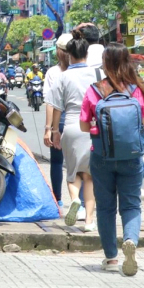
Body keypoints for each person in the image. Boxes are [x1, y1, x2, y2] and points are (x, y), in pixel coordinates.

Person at [79, 43, 144, 275]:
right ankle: (130, 240)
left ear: (105, 63)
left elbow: (83, 125)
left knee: (106, 208)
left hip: (101, 156)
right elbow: (143, 123)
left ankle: (111, 258)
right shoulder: (135, 90)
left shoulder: (95, 90)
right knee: (131, 205)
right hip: (131, 157)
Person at [50, 30, 96, 231]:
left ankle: (75, 199)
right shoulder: (98, 74)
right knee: (89, 175)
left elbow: (57, 107)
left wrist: (54, 131)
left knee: (72, 172)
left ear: (69, 55)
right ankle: (88, 222)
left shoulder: (62, 76)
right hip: (92, 127)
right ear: (87, 53)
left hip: (70, 126)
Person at [43, 34, 71, 207]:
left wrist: (49, 128)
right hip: (81, 122)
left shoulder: (53, 72)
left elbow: (50, 103)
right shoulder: (85, 71)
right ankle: (81, 200)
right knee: (81, 163)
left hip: (59, 122)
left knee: (57, 162)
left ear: (58, 52)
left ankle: (57, 199)